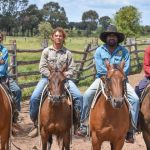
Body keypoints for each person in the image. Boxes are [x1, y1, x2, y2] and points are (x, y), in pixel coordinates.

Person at [77, 25, 140, 143]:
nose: (112, 38)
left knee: (135, 100)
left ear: (117, 38)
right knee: (86, 96)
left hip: (121, 81)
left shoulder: (124, 51)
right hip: (102, 79)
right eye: (110, 36)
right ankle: (84, 124)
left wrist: (117, 75)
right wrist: (111, 74)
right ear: (106, 38)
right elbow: (100, 68)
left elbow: (126, 69)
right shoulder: (100, 50)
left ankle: (131, 129)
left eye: (114, 36)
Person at [28, 27, 83, 138]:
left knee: (79, 96)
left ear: (63, 38)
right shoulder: (46, 51)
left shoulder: (68, 53)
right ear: (52, 37)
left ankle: (77, 124)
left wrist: (63, 76)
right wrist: (52, 76)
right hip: (47, 79)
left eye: (60, 36)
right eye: (56, 35)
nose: (58, 37)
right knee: (34, 97)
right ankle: (35, 123)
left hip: (64, 80)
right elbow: (42, 67)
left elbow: (73, 69)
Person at [0, 32, 22, 123]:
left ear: (2, 39)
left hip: (3, 77)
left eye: (0, 37)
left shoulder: (4, 50)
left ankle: (15, 112)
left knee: (17, 90)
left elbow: (2, 62)